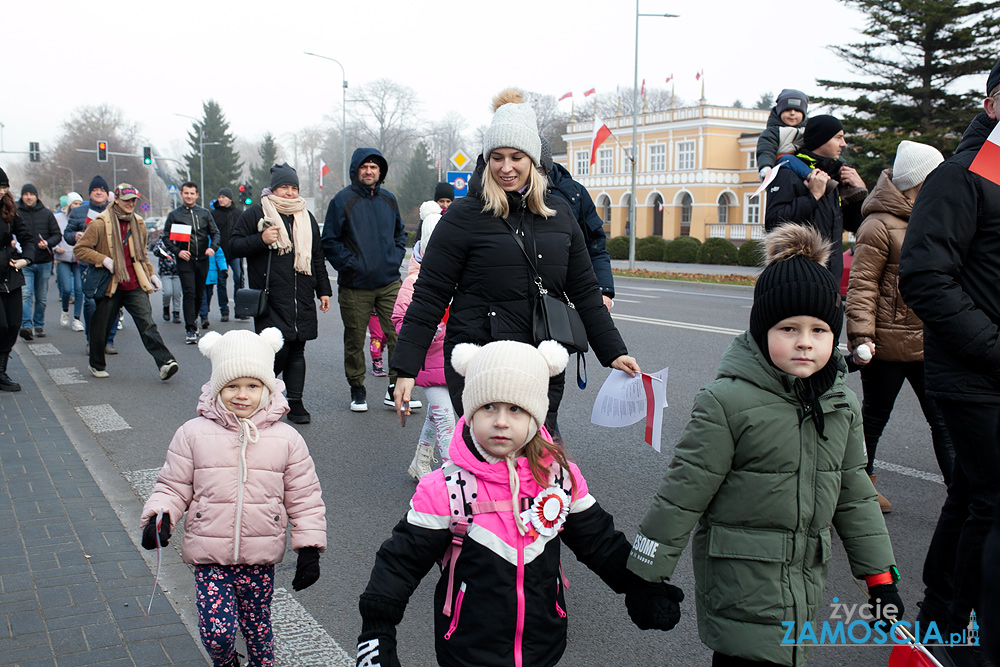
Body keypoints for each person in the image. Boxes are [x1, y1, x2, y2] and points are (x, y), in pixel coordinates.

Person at [628, 224, 901, 666]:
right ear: (761, 331)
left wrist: (880, 577)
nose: (805, 343)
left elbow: (855, 494)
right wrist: (646, 576)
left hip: (802, 588)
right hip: (739, 585)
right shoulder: (727, 402)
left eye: (819, 330)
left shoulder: (840, 402)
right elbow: (682, 495)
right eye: (788, 328)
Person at [356, 340, 681, 667]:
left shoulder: (558, 477)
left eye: (515, 409)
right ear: (470, 412)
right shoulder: (444, 487)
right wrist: (377, 631)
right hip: (468, 652)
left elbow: (599, 541)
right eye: (488, 407)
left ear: (536, 415)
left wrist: (641, 585)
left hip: (543, 647)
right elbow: (399, 563)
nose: (500, 421)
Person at [391, 87, 640, 426]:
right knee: (486, 467)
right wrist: (405, 369)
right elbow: (430, 296)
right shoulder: (464, 217)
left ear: (534, 161)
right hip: (480, 363)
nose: (506, 168)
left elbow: (584, 292)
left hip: (542, 362)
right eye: (497, 157)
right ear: (486, 159)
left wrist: (614, 351)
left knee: (541, 462)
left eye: (516, 157)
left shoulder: (560, 214)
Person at [140, 327, 326, 667]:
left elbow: (304, 496)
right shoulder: (193, 434)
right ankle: (226, 663)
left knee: (258, 628)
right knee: (218, 632)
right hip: (209, 554)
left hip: (260, 554)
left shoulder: (287, 440)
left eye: (253, 386)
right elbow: (173, 484)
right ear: (216, 388)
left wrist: (309, 548)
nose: (242, 395)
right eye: (232, 386)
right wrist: (160, 515)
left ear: (267, 388)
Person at [898, 58, 1000, 665]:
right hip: (973, 376)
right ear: (991, 106)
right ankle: (970, 644)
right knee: (992, 501)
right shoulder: (959, 177)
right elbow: (925, 277)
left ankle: (939, 621)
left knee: (970, 495)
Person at [845, 140, 953, 513]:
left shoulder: (934, 215)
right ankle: (861, 488)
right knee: (873, 417)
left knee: (942, 420)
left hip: (928, 341)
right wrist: (862, 335)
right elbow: (862, 285)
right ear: (916, 180)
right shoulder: (876, 225)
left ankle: (960, 492)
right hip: (886, 344)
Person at [230, 163, 333, 426]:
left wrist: (324, 290)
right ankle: (258, 395)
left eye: (293, 188)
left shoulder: (306, 217)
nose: (289, 193)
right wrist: (261, 239)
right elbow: (233, 246)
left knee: (298, 349)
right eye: (284, 187)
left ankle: (295, 403)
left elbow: (317, 257)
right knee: (277, 350)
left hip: (301, 295)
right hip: (271, 296)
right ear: (273, 188)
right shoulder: (256, 212)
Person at [322, 147, 413, 413]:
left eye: (374, 167)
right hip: (354, 285)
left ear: (380, 171)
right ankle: (357, 388)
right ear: (356, 170)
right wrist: (352, 266)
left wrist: (394, 259)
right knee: (354, 339)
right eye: (364, 167)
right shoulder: (342, 200)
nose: (369, 171)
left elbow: (399, 235)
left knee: (398, 333)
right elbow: (330, 241)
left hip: (388, 281)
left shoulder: (389, 199)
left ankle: (395, 387)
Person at [538, 132, 616, 436]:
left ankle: (547, 452)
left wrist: (603, 289)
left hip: (560, 307)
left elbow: (595, 247)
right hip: (514, 310)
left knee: (549, 385)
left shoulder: (573, 193)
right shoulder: (501, 193)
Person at [73, 184, 178, 381]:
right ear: (117, 200)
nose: (131, 204)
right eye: (127, 200)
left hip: (134, 283)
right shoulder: (100, 223)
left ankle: (165, 362)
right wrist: (104, 260)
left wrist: (151, 275)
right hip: (109, 284)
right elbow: (80, 249)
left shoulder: (138, 223)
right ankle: (96, 364)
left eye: (133, 200)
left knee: (147, 324)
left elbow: (141, 255)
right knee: (101, 327)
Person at [391, 201, 455, 480]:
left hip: (453, 362)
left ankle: (420, 460)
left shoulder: (456, 278)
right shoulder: (412, 283)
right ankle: (455, 475)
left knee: (437, 414)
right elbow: (399, 321)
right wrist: (432, 331)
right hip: (429, 362)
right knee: (446, 419)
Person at [764, 114, 867, 282]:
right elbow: (774, 223)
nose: (844, 143)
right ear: (821, 139)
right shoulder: (788, 172)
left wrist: (859, 191)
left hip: (831, 281)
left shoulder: (835, 176)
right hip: (798, 281)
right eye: (838, 137)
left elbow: (857, 226)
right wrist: (813, 196)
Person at [65, 175, 118, 351]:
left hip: (111, 264)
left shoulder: (114, 211)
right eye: (95, 190)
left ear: (106, 193)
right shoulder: (79, 212)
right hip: (88, 264)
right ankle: (91, 340)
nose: (98, 192)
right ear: (90, 193)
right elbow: (68, 234)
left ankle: (108, 341)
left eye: (102, 190)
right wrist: (75, 236)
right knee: (91, 303)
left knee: (112, 301)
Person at [163, 182, 220, 345]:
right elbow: (166, 237)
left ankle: (193, 320)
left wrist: (212, 248)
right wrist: (178, 251)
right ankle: (190, 328)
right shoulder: (175, 215)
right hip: (185, 261)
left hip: (202, 260)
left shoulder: (204, 213)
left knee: (199, 294)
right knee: (189, 292)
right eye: (186, 193)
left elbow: (215, 233)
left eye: (192, 193)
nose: (189, 196)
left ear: (197, 195)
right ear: (181, 194)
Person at [0, 168, 36, 391]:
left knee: (13, 325)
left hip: (10, 276)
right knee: (0, 325)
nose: (1, 191)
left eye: (4, 188)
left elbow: (27, 239)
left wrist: (26, 259)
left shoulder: (9, 211)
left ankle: (1, 372)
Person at [16, 184, 61, 340]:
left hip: (43, 261)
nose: (29, 197)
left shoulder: (47, 214)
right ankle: (26, 326)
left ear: (36, 196)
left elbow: (57, 235)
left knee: (41, 296)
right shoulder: (15, 212)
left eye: (32, 194)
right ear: (22, 196)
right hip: (24, 261)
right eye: (26, 194)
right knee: (26, 294)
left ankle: (38, 325)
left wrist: (48, 243)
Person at [756, 88, 812, 181]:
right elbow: (766, 150)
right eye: (787, 110)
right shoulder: (773, 132)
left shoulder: (806, 131)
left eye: (797, 111)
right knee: (788, 159)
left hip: (802, 168)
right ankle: (812, 177)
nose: (792, 113)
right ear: (779, 112)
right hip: (781, 168)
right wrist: (766, 166)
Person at [54, 191, 85, 332]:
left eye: (79, 203)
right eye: (75, 203)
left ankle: (77, 319)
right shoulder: (58, 218)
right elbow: (53, 234)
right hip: (63, 258)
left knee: (79, 289)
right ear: (69, 205)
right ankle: (65, 310)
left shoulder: (84, 217)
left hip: (79, 258)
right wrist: (56, 247)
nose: (77, 206)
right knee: (66, 288)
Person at [211, 187, 242, 320]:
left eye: (224, 197)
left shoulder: (238, 213)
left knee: (239, 278)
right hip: (220, 253)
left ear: (230, 198)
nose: (221, 199)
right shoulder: (213, 214)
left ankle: (240, 309)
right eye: (219, 197)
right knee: (221, 282)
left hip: (236, 252)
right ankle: (224, 310)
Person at [152, 238, 181, 323]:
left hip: (178, 272)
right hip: (165, 272)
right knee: (167, 292)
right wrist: (162, 247)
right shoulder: (163, 241)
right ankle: (166, 307)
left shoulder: (179, 240)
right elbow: (155, 252)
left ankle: (176, 312)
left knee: (177, 293)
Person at [198, 246, 229, 328]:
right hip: (200, 274)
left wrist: (223, 269)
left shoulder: (213, 243)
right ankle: (203, 316)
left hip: (211, 274)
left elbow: (220, 256)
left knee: (209, 295)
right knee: (202, 296)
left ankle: (205, 312)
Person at [367, 310, 388, 377]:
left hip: (386, 311)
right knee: (376, 338)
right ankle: (376, 360)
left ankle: (379, 351)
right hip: (373, 313)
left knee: (386, 337)